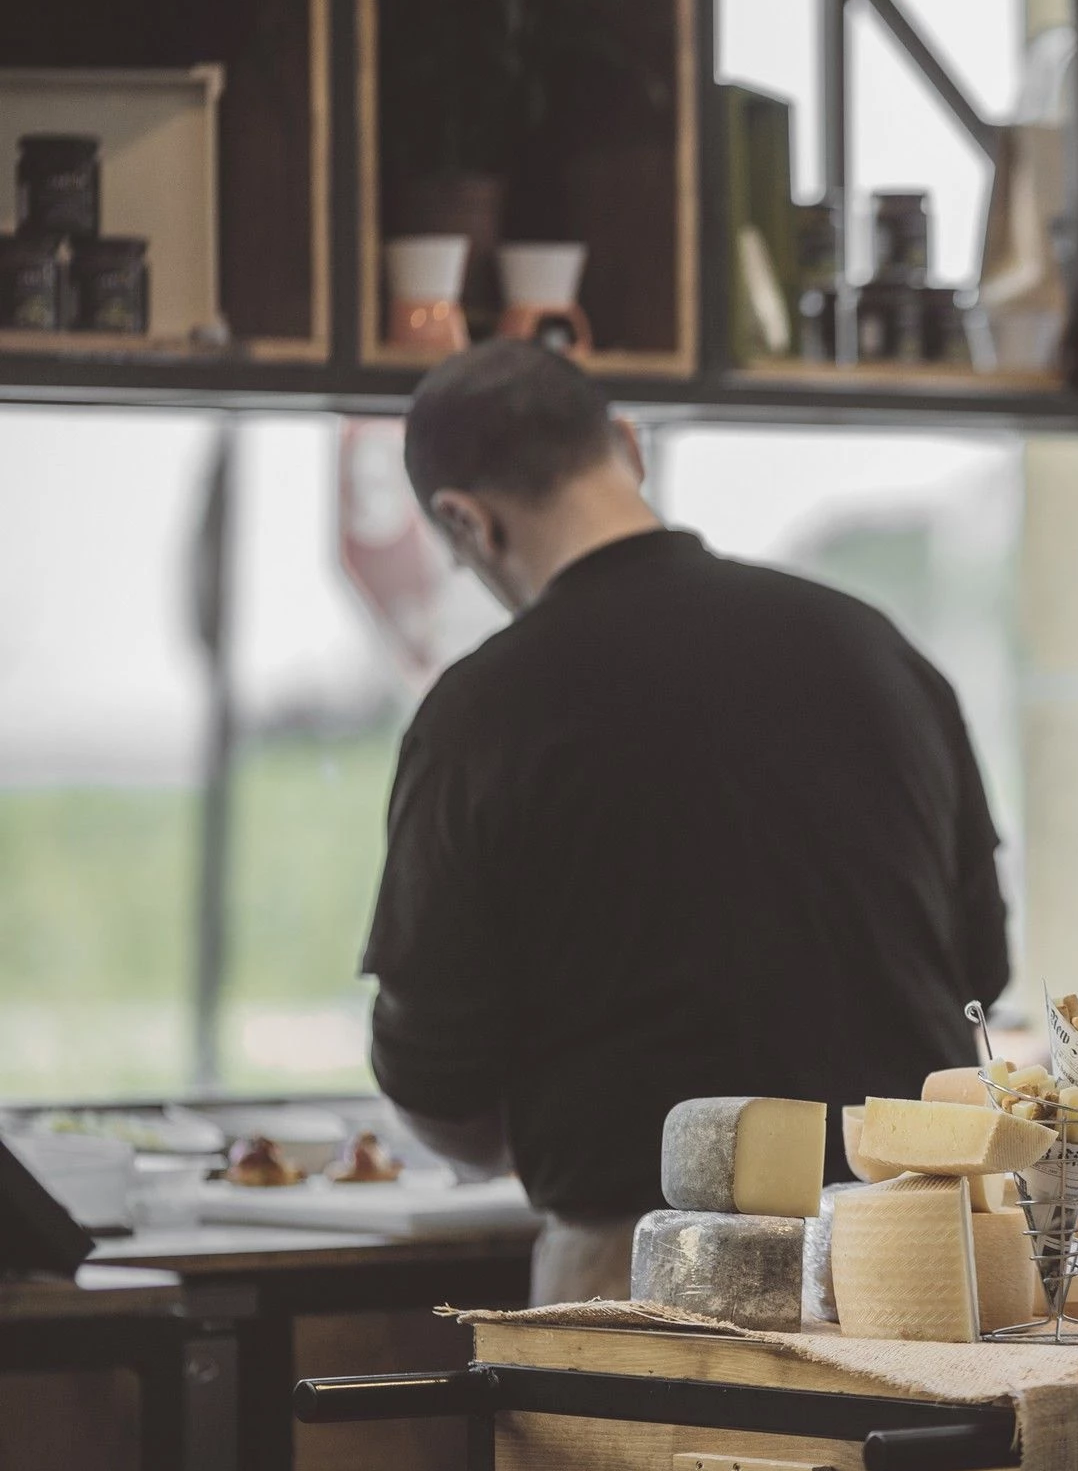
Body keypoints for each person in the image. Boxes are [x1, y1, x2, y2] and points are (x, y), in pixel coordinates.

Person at [361, 341, 1010, 1304]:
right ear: (628, 444)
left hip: (648, 1270)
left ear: (465, 518)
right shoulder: (870, 647)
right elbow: (979, 970)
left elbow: (435, 1069)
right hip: (916, 1257)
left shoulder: (481, 714)